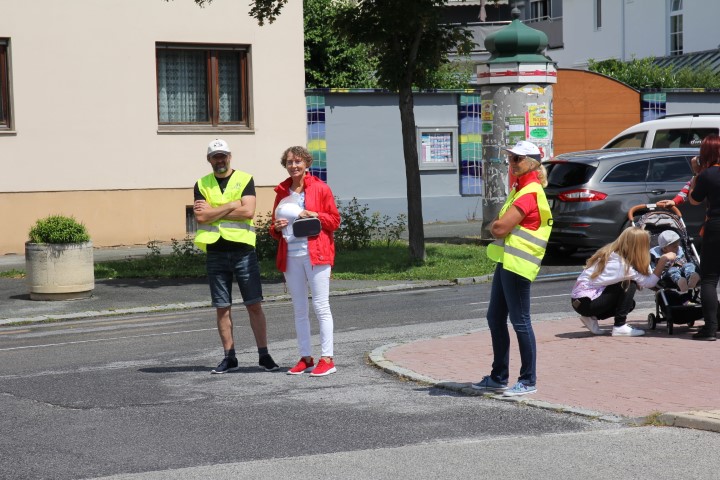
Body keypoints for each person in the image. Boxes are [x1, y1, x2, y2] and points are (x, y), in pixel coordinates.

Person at [472, 140, 552, 397]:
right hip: (507, 261)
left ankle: (528, 380)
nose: (511, 162)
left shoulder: (529, 192)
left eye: (517, 158)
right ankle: (498, 376)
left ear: (531, 162)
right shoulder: (520, 189)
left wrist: (495, 225)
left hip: (519, 265)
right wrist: (497, 224)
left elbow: (499, 228)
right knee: (495, 318)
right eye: (510, 158)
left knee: (521, 322)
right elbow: (499, 225)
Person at [193, 139, 280, 373]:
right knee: (222, 307)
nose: (220, 160)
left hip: (243, 251)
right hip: (215, 251)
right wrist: (232, 204)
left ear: (230, 156)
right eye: (215, 156)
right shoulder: (201, 184)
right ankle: (229, 357)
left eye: (223, 156)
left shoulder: (244, 179)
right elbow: (201, 218)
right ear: (208, 159)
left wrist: (215, 211)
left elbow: (248, 211)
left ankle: (264, 355)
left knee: (254, 304)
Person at [270, 146, 341, 376]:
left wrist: (315, 214)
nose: (294, 166)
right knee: (299, 309)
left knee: (321, 306)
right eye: (290, 162)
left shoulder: (320, 188)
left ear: (307, 163)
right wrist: (276, 227)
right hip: (291, 255)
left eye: (298, 162)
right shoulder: (282, 192)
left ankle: (327, 358)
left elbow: (335, 220)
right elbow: (275, 227)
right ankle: (306, 358)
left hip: (316, 253)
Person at [571, 227, 674, 337]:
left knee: (629, 305)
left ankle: (591, 317)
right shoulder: (621, 266)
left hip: (581, 301)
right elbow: (650, 283)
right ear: (638, 247)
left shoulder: (613, 254)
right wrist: (663, 260)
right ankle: (620, 326)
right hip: (586, 302)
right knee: (629, 283)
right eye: (646, 245)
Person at [688, 133, 720, 341]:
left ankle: (710, 328)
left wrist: (695, 174)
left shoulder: (707, 175)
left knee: (709, 279)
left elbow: (694, 200)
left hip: (716, 227)